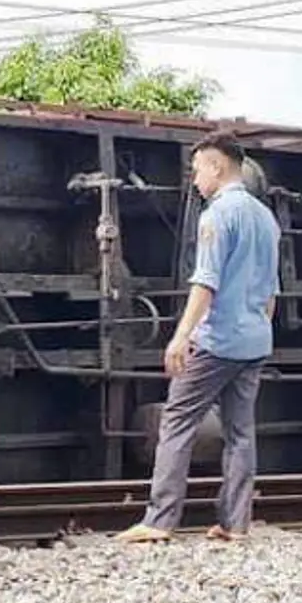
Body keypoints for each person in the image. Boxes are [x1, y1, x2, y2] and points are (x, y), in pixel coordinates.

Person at [120, 132, 281, 543]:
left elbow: (205, 282)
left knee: (177, 421)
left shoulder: (216, 216)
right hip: (255, 340)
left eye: (197, 170)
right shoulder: (266, 218)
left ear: (217, 166)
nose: (194, 180)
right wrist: (259, 332)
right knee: (241, 432)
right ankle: (235, 523)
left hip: (219, 339)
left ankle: (159, 520)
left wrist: (181, 336)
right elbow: (271, 292)